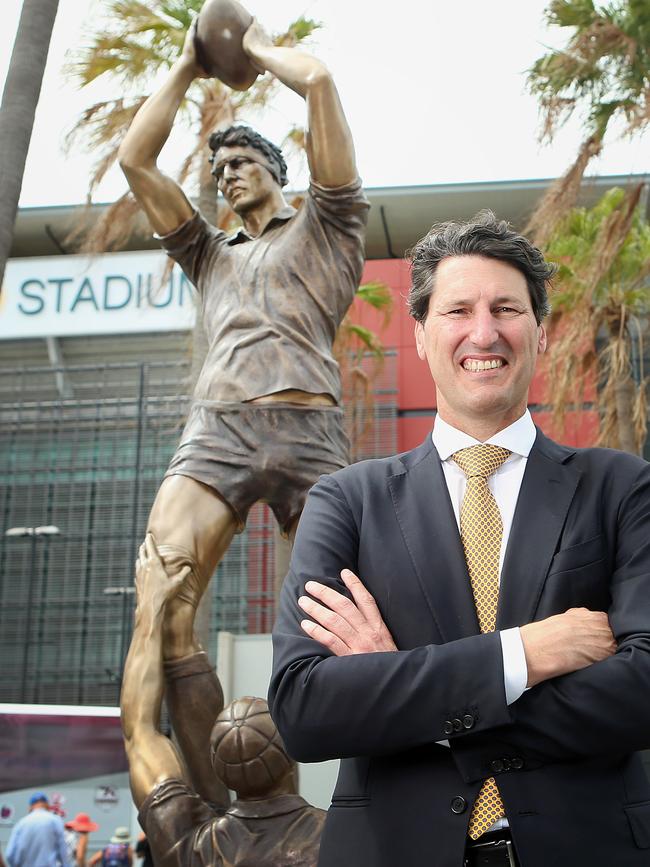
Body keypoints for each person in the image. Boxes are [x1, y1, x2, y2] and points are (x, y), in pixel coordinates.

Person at [269, 211, 650, 867]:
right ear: (419, 334)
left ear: (542, 332)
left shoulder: (621, 488)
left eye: (506, 307)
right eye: (458, 310)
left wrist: (405, 693)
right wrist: (520, 655)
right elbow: (306, 708)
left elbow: (643, 687)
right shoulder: (347, 501)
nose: (484, 331)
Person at [117, 13, 368, 670]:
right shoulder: (209, 253)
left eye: (241, 162)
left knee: (327, 614)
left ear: (274, 169)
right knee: (162, 595)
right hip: (218, 429)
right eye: (220, 167)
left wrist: (251, 45)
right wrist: (186, 63)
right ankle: (177, 767)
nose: (228, 175)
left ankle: (308, 763)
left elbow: (317, 81)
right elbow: (133, 160)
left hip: (308, 428)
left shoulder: (329, 224)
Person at [120, 534, 325, 866]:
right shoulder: (337, 837)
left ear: (217, 770)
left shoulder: (187, 846)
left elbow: (139, 731)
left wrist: (150, 607)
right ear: (292, 758)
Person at [4, 792, 71, 867]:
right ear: (47, 805)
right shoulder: (55, 821)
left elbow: (9, 854)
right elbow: (63, 855)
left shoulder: (20, 824)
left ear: (30, 807)